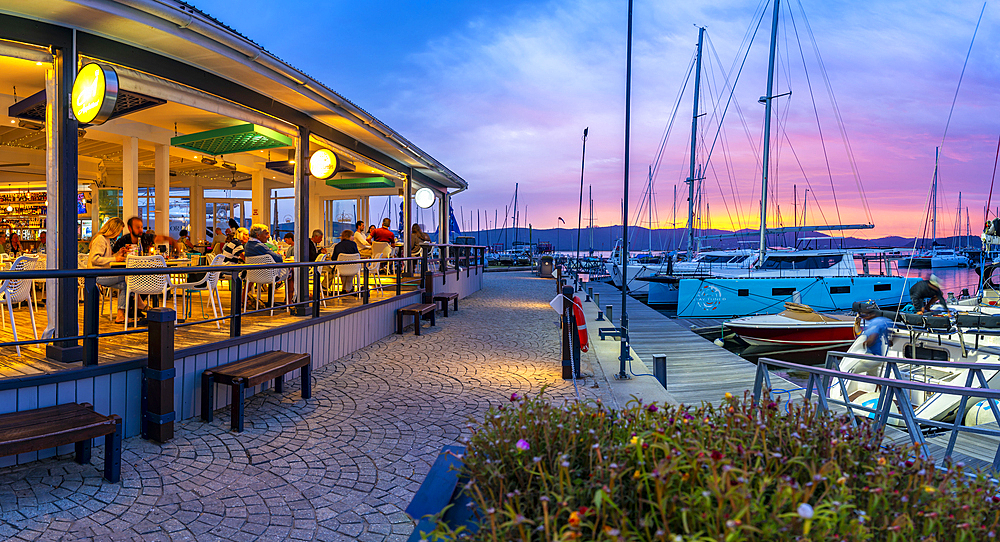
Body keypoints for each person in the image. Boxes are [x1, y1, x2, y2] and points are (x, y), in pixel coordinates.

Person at [89, 217, 147, 324]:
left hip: (103, 272)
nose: (118, 235)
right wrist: (115, 258)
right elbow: (95, 259)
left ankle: (121, 315)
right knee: (129, 277)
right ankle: (140, 303)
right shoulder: (100, 239)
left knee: (127, 283)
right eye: (118, 232)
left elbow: (106, 258)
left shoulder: (106, 240)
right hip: (97, 274)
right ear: (113, 230)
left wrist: (118, 253)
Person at [111, 216, 175, 255]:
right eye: (138, 227)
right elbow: (112, 254)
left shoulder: (147, 237)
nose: (141, 230)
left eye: (141, 227)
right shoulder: (123, 240)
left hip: (146, 270)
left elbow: (162, 238)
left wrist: (174, 243)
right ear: (130, 228)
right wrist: (119, 254)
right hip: (128, 271)